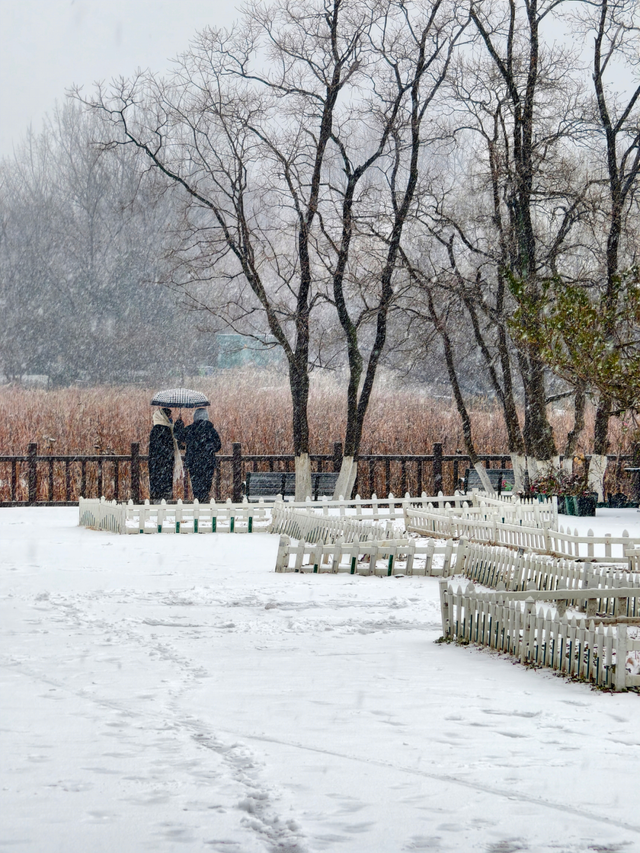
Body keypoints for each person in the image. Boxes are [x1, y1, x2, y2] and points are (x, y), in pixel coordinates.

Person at [174, 408, 221, 502]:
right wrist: (209, 448)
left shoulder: (190, 429)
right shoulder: (211, 431)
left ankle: (198, 502)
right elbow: (218, 446)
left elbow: (178, 436)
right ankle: (204, 501)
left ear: (195, 417)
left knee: (196, 486)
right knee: (206, 486)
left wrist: (179, 424)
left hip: (194, 463)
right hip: (208, 463)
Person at [148, 407, 183, 502]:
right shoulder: (165, 430)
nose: (171, 418)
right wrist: (178, 426)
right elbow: (175, 443)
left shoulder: (157, 429)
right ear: (165, 417)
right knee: (164, 491)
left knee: (157, 491)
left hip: (157, 466)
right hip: (164, 465)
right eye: (170, 416)